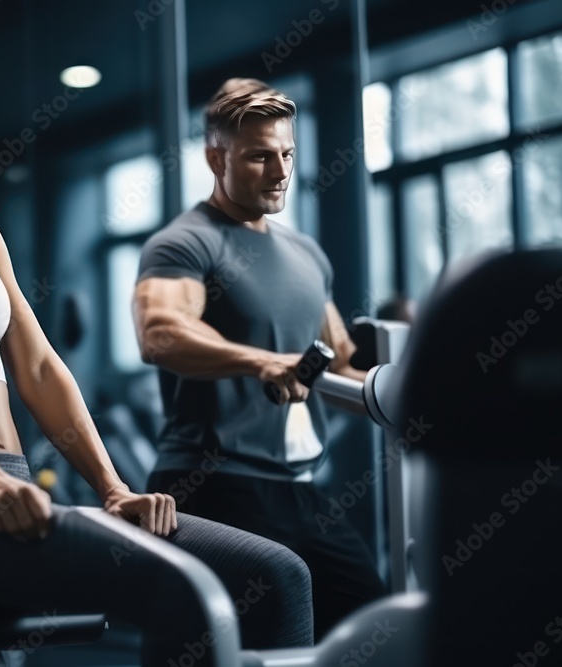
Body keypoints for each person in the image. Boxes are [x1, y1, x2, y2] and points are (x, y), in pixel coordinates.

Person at [0, 14, 314, 663]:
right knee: (182, 589)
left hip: (9, 485)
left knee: (277, 576)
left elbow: (40, 368)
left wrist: (113, 488)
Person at [133, 78, 387, 641]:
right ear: (214, 157)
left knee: (374, 622)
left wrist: (407, 391)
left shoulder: (306, 254)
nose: (279, 172)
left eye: (287, 154)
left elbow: (339, 363)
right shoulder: (186, 242)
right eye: (259, 157)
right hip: (214, 481)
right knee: (238, 642)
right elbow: (160, 334)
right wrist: (263, 363)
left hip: (300, 489)